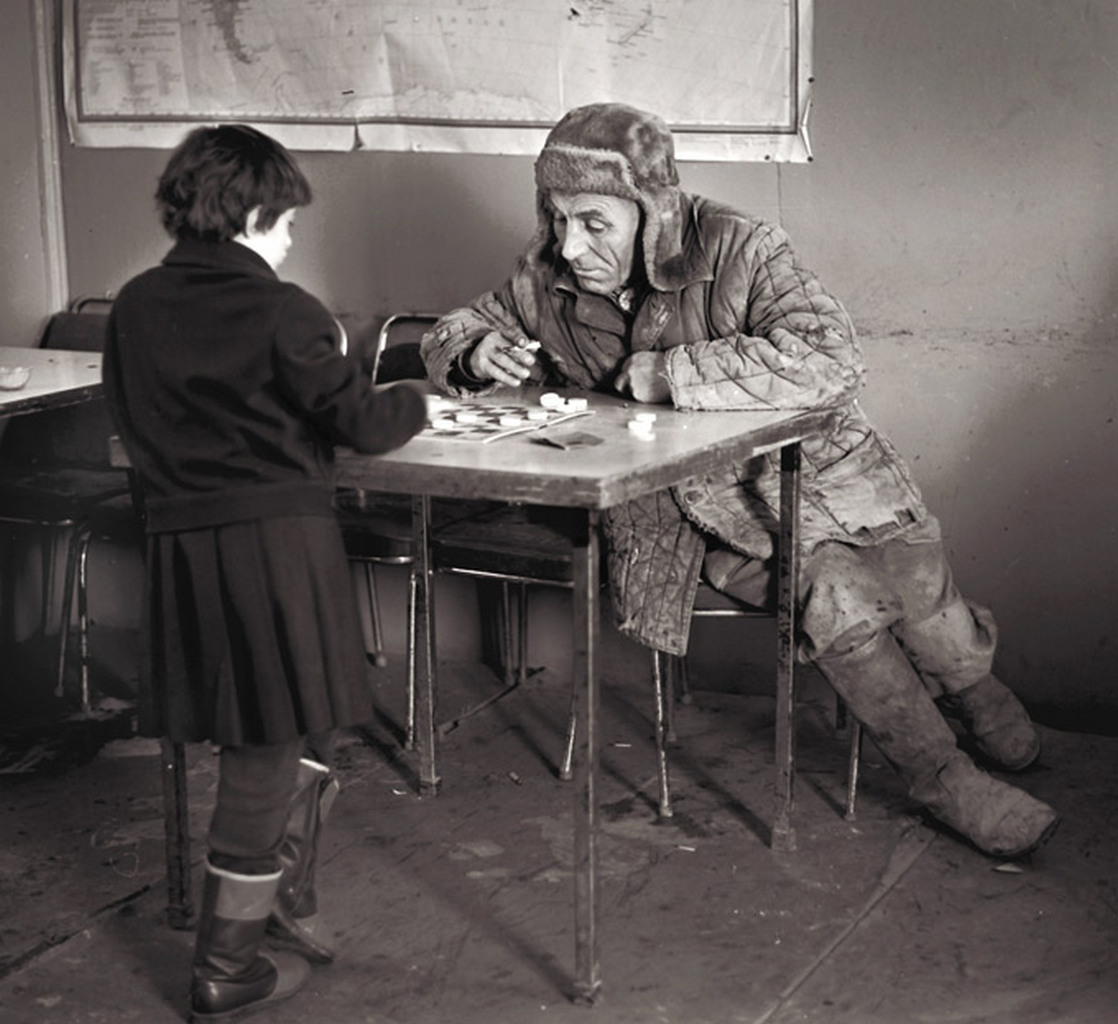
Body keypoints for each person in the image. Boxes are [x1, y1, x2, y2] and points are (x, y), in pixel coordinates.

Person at [420, 102, 1059, 860]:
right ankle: (943, 778)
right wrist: (474, 352)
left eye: (594, 223)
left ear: (652, 213)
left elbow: (831, 357)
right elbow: (454, 329)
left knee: (927, 604)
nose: (570, 245)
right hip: (709, 513)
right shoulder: (543, 275)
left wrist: (677, 372)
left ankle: (975, 692)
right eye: (557, 218)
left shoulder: (741, 246)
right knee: (835, 599)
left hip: (834, 477)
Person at [103, 124, 427, 1021]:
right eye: (283, 223)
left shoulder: (134, 305)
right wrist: (419, 399)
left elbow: (133, 419)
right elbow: (360, 422)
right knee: (266, 747)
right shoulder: (284, 310)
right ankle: (226, 967)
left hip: (181, 548)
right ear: (250, 216)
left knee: (286, 726)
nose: (288, 241)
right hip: (274, 551)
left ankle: (275, 897)